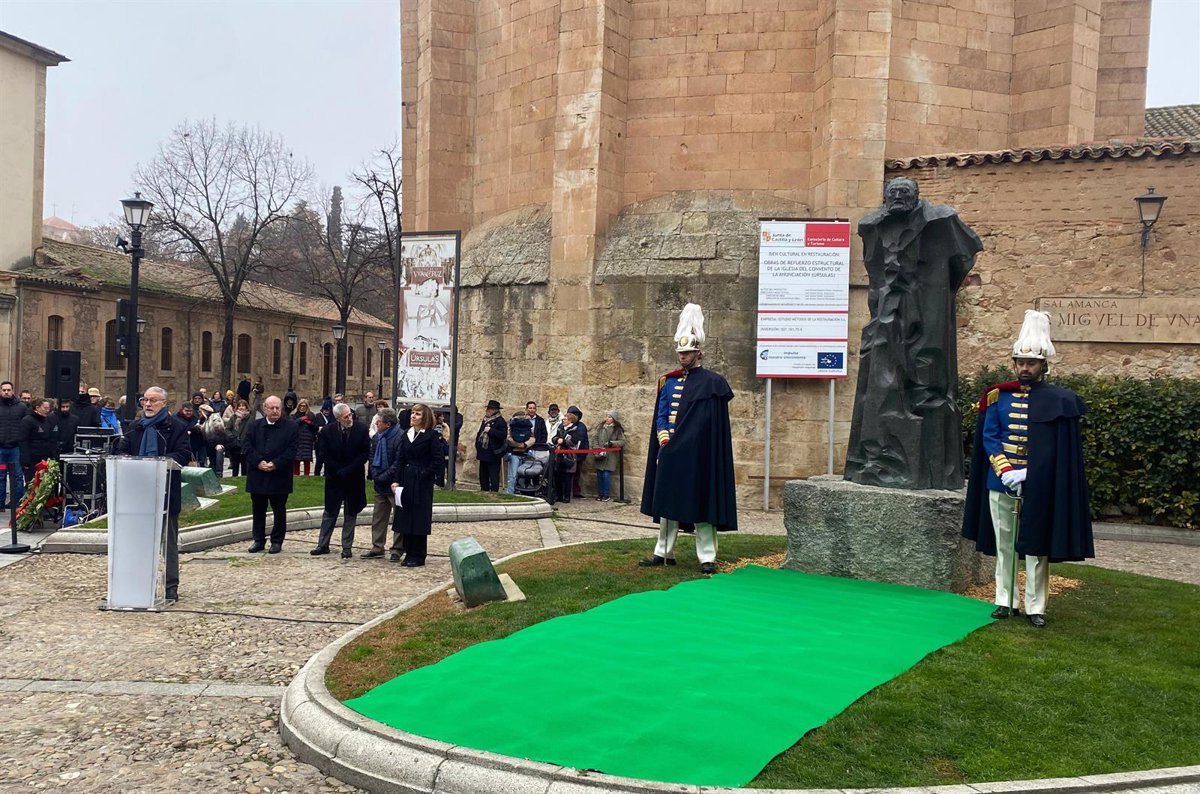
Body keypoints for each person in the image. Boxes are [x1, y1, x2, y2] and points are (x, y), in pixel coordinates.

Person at [844, 176, 983, 490]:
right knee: (881, 369)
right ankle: (877, 457)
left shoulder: (942, 220)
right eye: (892, 192)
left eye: (903, 192)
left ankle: (926, 466)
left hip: (926, 301)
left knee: (927, 369)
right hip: (887, 309)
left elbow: (964, 259)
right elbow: (874, 265)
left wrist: (936, 287)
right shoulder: (874, 224)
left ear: (916, 196)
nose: (897, 196)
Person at [962, 310, 1095, 629]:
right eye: (1020, 362)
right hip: (1001, 481)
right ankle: (1005, 600)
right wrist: (1006, 470)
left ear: (1043, 365)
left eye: (1031, 362)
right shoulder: (997, 397)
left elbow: (1054, 448)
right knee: (1004, 546)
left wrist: (1029, 473)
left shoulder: (1059, 400)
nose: (1024, 367)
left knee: (1036, 547)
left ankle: (1036, 606)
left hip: (1039, 485)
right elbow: (990, 437)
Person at [640, 304, 738, 574]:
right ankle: (663, 552)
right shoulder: (668, 382)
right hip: (670, 450)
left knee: (701, 503)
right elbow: (661, 414)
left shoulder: (712, 383)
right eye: (680, 353)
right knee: (667, 505)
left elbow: (711, 425)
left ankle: (707, 557)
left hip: (698, 454)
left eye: (688, 353)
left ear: (699, 353)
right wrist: (663, 440)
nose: (683, 357)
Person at [116, 386, 192, 603]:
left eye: (153, 401)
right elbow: (123, 449)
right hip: (137, 494)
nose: (147, 404)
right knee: (136, 542)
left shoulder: (176, 427)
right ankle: (136, 582)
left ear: (164, 404)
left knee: (167, 543)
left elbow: (183, 454)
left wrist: (159, 463)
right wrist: (122, 458)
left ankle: (170, 586)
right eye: (145, 400)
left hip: (166, 491)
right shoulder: (136, 426)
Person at [311, 403, 370, 559]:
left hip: (354, 478)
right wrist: (338, 470)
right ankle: (322, 544)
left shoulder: (361, 429)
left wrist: (349, 469)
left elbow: (364, 453)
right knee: (330, 512)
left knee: (351, 513)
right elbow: (323, 453)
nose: (349, 418)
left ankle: (347, 546)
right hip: (334, 478)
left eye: (350, 415)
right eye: (346, 417)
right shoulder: (328, 431)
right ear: (338, 418)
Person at [243, 395, 299, 554]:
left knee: (279, 510)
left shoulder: (291, 427)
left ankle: (277, 541)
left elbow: (292, 450)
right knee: (258, 509)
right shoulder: (254, 426)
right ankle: (258, 540)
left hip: (279, 475)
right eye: (271, 408)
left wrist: (276, 464)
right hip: (258, 475)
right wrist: (259, 462)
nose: (275, 411)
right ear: (265, 409)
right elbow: (247, 447)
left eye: (277, 408)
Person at [388, 403, 441, 566]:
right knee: (405, 516)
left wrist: (424, 474)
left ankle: (418, 555)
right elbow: (401, 459)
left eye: (417, 414)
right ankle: (408, 551)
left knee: (419, 517)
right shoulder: (406, 435)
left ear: (424, 417)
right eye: (413, 413)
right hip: (406, 478)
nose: (413, 416)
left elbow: (437, 460)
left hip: (421, 481)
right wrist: (396, 480)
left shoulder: (431, 436)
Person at [364, 408, 403, 558]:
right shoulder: (377, 437)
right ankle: (377, 546)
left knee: (398, 517)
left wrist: (386, 476)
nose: (376, 424)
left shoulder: (399, 437)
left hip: (394, 483)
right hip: (380, 483)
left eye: (378, 422)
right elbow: (373, 456)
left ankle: (397, 549)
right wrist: (375, 474)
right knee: (379, 517)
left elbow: (398, 462)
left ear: (387, 424)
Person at [0, 381, 29, 512]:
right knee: (0, 475)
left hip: (15, 448)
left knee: (17, 475)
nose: (6, 392)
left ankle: (17, 503)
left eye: (8, 390)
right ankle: (0, 504)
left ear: (13, 391)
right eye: (4, 390)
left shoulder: (22, 407)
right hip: (1, 449)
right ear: (0, 391)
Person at [592, 410, 626, 502]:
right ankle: (600, 493)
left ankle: (606, 494)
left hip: (610, 456)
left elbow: (622, 441)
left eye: (610, 417)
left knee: (606, 475)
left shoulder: (617, 430)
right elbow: (595, 438)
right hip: (600, 454)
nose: (608, 418)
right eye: (607, 416)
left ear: (614, 419)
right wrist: (596, 447)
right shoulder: (601, 428)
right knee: (599, 475)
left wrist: (612, 443)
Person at [551, 407, 583, 503]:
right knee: (558, 476)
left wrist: (563, 441)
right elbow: (554, 438)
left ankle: (566, 496)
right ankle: (558, 495)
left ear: (570, 420)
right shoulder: (561, 428)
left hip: (569, 456)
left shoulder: (575, 430)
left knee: (567, 477)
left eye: (565, 419)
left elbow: (573, 442)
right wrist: (557, 440)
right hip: (559, 455)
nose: (563, 421)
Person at [474, 399, 507, 491]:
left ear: (494, 410)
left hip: (493, 453)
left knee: (493, 475)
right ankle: (484, 490)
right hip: (483, 452)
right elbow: (480, 432)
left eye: (490, 409)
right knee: (483, 475)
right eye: (488, 408)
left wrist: (491, 431)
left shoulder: (500, 421)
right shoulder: (485, 419)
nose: (487, 410)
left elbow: (503, 435)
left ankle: (494, 492)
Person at [19, 398, 55, 480]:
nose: (47, 410)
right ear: (37, 407)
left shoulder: (47, 420)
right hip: (33, 459)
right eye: (45, 408)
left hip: (45, 458)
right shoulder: (27, 420)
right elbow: (23, 441)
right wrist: (26, 460)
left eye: (48, 408)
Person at [504, 410, 534, 494]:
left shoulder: (513, 425)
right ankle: (511, 492)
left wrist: (523, 444)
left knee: (514, 475)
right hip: (518, 453)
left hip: (517, 452)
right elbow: (508, 438)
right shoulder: (524, 425)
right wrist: (523, 445)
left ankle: (514, 492)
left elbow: (509, 439)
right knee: (514, 475)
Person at [224, 399, 252, 477]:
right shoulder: (233, 417)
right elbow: (227, 429)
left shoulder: (250, 418)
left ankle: (244, 479)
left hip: (245, 444)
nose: (241, 407)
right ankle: (234, 478)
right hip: (235, 445)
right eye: (239, 406)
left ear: (247, 407)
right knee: (235, 465)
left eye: (243, 406)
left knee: (245, 466)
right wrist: (232, 437)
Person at [201, 406, 229, 476]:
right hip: (209, 445)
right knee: (212, 462)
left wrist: (218, 443)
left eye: (200, 411)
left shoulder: (215, 418)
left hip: (216, 444)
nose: (199, 413)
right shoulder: (205, 419)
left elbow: (220, 431)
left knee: (217, 462)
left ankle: (218, 475)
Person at [293, 398, 318, 476]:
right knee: (296, 460)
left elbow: (316, 427)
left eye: (304, 406)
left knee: (307, 460)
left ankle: (306, 476)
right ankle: (296, 475)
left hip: (308, 441)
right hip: (297, 440)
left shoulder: (311, 415)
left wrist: (309, 423)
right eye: (301, 406)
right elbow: (291, 426)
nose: (302, 407)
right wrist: (300, 420)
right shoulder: (294, 415)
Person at [312, 399, 333, 476]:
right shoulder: (318, 416)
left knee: (328, 461)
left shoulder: (332, 417)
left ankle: (326, 474)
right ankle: (316, 474)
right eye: (325, 410)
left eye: (328, 410)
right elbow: (314, 426)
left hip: (329, 442)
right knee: (319, 460)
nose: (326, 412)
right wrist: (318, 428)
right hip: (319, 442)